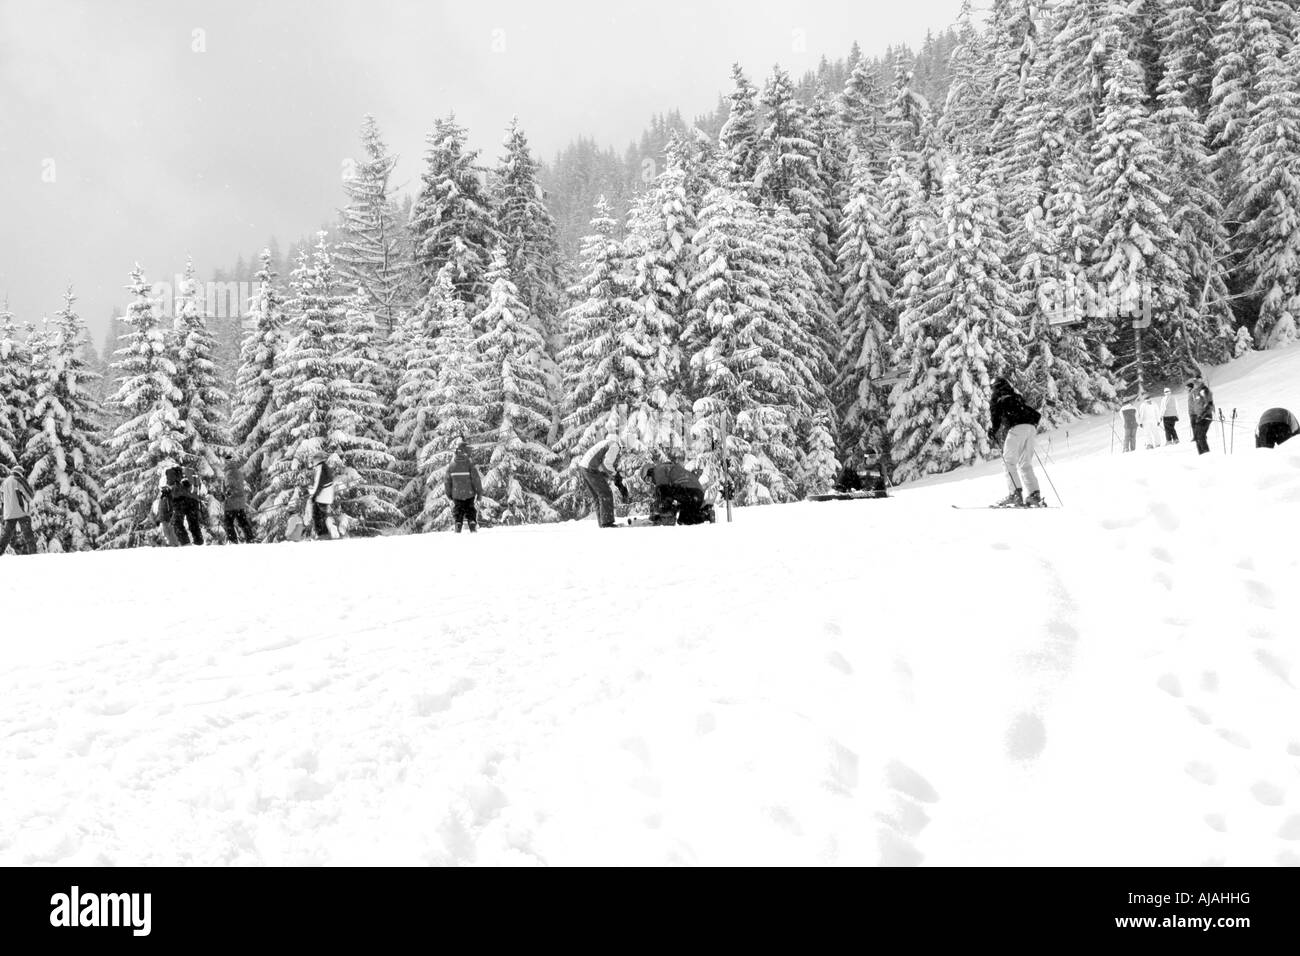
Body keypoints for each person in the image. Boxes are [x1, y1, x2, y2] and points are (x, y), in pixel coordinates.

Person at [988, 377, 1044, 508]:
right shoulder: (1015, 396)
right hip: (1030, 428)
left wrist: (993, 431)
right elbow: (1033, 413)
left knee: (1008, 462)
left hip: (1017, 428)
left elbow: (995, 416)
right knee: (1025, 464)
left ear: (996, 387)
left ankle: (1015, 494)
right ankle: (1034, 495)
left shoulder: (998, 397)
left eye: (992, 388)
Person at [643, 460, 713, 526]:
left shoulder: (658, 470)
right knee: (683, 519)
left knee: (661, 490)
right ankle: (707, 514)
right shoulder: (668, 469)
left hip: (689, 490)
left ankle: (667, 517)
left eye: (648, 479)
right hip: (696, 495)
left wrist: (659, 510)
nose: (651, 482)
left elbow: (663, 490)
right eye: (648, 482)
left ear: (650, 471)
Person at [578, 435, 626, 528]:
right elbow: (607, 464)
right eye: (625, 449)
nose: (623, 452)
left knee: (598, 496)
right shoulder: (615, 446)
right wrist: (616, 476)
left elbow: (603, 466)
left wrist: (613, 477)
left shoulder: (610, 443)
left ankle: (603, 523)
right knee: (605, 493)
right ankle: (607, 523)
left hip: (584, 467)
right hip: (590, 468)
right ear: (624, 445)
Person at [444, 441, 484, 533]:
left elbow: (447, 482)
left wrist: (449, 495)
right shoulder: (470, 465)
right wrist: (479, 494)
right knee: (470, 510)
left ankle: (458, 523)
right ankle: (472, 523)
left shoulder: (451, 466)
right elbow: (476, 480)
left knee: (458, 511)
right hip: (469, 494)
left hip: (456, 494)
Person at [0, 466, 38, 556]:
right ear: (21, 472)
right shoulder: (19, 479)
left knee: (7, 536)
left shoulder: (4, 482)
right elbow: (29, 495)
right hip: (21, 511)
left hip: (9, 513)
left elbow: (2, 497)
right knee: (28, 534)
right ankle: (34, 554)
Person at [222, 453, 256, 543]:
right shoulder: (238, 471)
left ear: (226, 462)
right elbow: (238, 485)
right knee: (242, 521)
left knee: (228, 522)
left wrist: (227, 492)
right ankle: (250, 538)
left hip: (231, 502)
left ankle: (233, 541)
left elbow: (230, 485)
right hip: (240, 502)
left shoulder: (229, 472)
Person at [307, 452, 340, 539]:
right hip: (327, 496)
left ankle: (322, 535)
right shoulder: (325, 467)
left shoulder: (320, 467)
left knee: (317, 515)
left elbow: (318, 483)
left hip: (322, 496)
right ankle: (325, 534)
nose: (313, 462)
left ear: (317, 460)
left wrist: (314, 496)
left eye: (314, 459)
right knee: (323, 515)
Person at [172, 476, 206, 545]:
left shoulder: (177, 488)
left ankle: (185, 542)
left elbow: (174, 497)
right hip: (192, 502)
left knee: (177, 523)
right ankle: (198, 541)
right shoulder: (192, 491)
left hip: (182, 503)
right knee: (193, 524)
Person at [1187, 376, 1215, 455]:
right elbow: (1195, 405)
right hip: (1198, 416)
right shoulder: (1195, 392)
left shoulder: (1204, 390)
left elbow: (1209, 403)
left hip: (1205, 416)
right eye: (1195, 382)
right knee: (1198, 437)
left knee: (1200, 436)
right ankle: (1202, 454)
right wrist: (1194, 415)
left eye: (1197, 382)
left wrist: (1203, 414)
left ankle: (1206, 453)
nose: (1196, 383)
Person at [154, 476, 179, 546]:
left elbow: (172, 507)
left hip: (168, 519)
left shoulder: (168, 497)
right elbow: (160, 510)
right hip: (164, 519)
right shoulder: (162, 498)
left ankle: (176, 546)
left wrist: (171, 515)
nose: (162, 490)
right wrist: (158, 519)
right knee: (167, 534)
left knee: (171, 533)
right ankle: (173, 546)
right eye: (162, 488)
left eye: (164, 488)